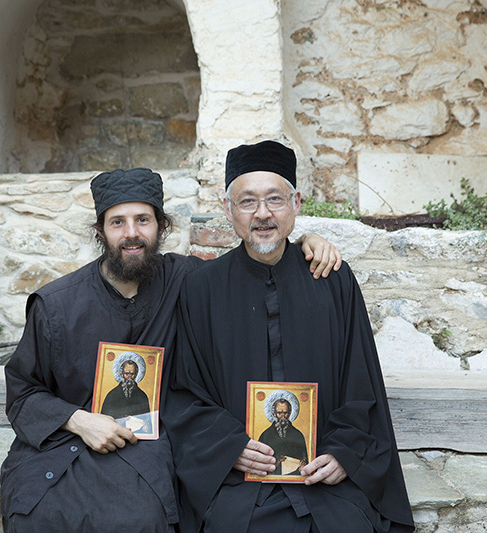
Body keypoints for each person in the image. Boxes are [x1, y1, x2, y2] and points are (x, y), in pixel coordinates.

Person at [0, 167, 342, 532]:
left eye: (143, 220)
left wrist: (305, 240)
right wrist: (79, 421)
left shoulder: (190, 281)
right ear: (100, 231)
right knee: (38, 514)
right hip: (67, 442)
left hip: (145, 448)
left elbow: (250, 263)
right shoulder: (57, 304)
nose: (132, 234)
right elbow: (23, 392)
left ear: (161, 227)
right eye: (118, 222)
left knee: (139, 517)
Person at [164, 140, 415, 532]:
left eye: (275, 199)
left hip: (323, 476)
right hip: (239, 481)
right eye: (247, 202)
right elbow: (184, 392)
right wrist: (230, 449)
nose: (262, 214)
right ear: (229, 210)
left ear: (296, 203)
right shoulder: (202, 290)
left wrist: (344, 455)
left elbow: (360, 382)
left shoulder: (332, 280)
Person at [257, 396, 308, 476]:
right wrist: (276, 461)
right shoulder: (266, 435)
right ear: (274, 413)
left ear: (290, 413)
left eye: (285, 413)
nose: (283, 416)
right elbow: (258, 461)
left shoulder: (298, 435)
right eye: (280, 413)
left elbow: (304, 459)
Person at [100, 356, 151, 420]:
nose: (129, 377)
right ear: (121, 374)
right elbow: (104, 419)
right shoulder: (112, 395)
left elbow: (147, 420)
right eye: (127, 373)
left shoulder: (142, 396)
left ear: (136, 375)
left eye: (132, 374)